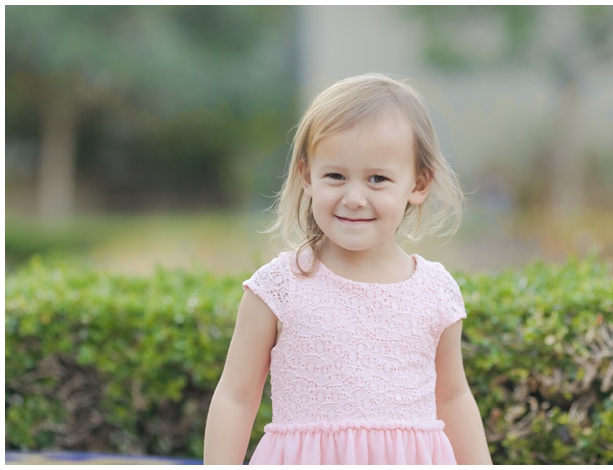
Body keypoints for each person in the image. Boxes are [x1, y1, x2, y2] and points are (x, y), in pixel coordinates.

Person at [203, 73, 492, 465]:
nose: (354, 198)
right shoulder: (279, 287)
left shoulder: (435, 291)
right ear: (307, 176)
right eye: (336, 176)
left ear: (418, 184)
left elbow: (453, 396)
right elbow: (236, 397)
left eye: (378, 179)